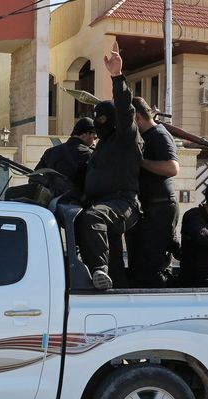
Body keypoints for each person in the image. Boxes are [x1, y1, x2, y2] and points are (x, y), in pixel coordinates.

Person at [75, 42, 143, 290]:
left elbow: (125, 110)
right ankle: (111, 283)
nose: (97, 123)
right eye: (96, 118)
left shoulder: (125, 138)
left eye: (102, 118)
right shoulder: (101, 145)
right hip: (103, 203)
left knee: (93, 217)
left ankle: (98, 269)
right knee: (112, 255)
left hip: (123, 203)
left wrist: (117, 77)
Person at [126, 96, 180, 288]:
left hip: (161, 206)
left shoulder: (159, 134)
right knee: (142, 261)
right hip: (151, 206)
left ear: (138, 118)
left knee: (153, 263)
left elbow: (172, 168)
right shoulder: (146, 136)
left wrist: (140, 161)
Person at [35, 117, 97, 193]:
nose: (94, 142)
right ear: (85, 134)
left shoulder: (50, 152)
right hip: (75, 203)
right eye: (94, 137)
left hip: (49, 202)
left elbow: (35, 178)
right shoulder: (88, 154)